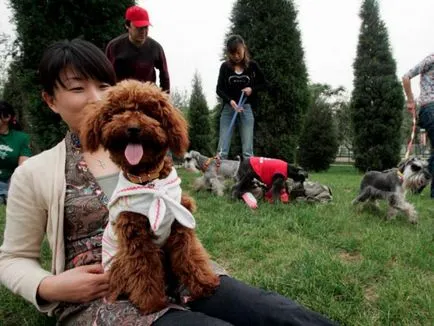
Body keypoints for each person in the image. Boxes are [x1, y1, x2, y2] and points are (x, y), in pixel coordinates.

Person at [0, 38, 336, 325]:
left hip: (180, 271)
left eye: (104, 86)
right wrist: (49, 286)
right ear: (50, 100)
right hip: (102, 295)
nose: (96, 98)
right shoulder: (34, 173)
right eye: (77, 88)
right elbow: (12, 259)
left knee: (279, 314)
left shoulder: (152, 149)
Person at [216, 34, 267, 160]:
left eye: (239, 52)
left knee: (248, 151)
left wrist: (252, 89)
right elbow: (219, 89)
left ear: (244, 48)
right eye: (233, 54)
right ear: (229, 53)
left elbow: (265, 84)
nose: (237, 56)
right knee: (222, 149)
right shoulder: (225, 67)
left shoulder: (252, 66)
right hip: (229, 109)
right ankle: (218, 175)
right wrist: (230, 101)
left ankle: (250, 176)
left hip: (246, 108)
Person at [105, 5, 170, 93]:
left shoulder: (156, 48)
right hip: (122, 97)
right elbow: (106, 75)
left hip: (147, 96)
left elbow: (164, 76)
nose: (143, 32)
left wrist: (165, 100)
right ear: (127, 25)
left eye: (146, 27)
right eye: (139, 28)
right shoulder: (114, 47)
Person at [402, 54, 434, 198]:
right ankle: (418, 185)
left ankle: (417, 184)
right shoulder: (431, 59)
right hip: (430, 108)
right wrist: (410, 101)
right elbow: (406, 77)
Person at [0, 101, 32, 204]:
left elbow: (22, 169)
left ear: (7, 117)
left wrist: (13, 188)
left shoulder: (21, 138)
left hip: (10, 182)